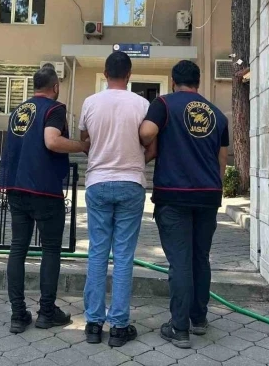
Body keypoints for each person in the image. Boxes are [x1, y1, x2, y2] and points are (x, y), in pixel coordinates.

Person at [139, 60, 229, 349]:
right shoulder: (217, 114)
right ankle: (199, 319)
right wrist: (216, 190)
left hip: (174, 194)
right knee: (200, 258)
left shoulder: (164, 105)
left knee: (179, 262)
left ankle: (179, 328)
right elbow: (222, 159)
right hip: (208, 194)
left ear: (172, 80)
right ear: (198, 83)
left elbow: (146, 133)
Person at [0, 64, 89, 334]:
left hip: (16, 187)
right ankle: (47, 312)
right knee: (50, 249)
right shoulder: (55, 109)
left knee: (18, 248)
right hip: (44, 190)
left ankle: (18, 314)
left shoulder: (19, 110)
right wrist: (82, 146)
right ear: (55, 87)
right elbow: (52, 141)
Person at [79, 51, 154, 347]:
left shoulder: (90, 102)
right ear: (130, 74)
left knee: (97, 252)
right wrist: (135, 162)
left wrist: (100, 156)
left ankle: (93, 324)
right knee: (123, 255)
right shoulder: (142, 104)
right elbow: (152, 145)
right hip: (131, 184)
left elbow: (85, 141)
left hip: (97, 182)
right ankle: (119, 327)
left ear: (105, 73)